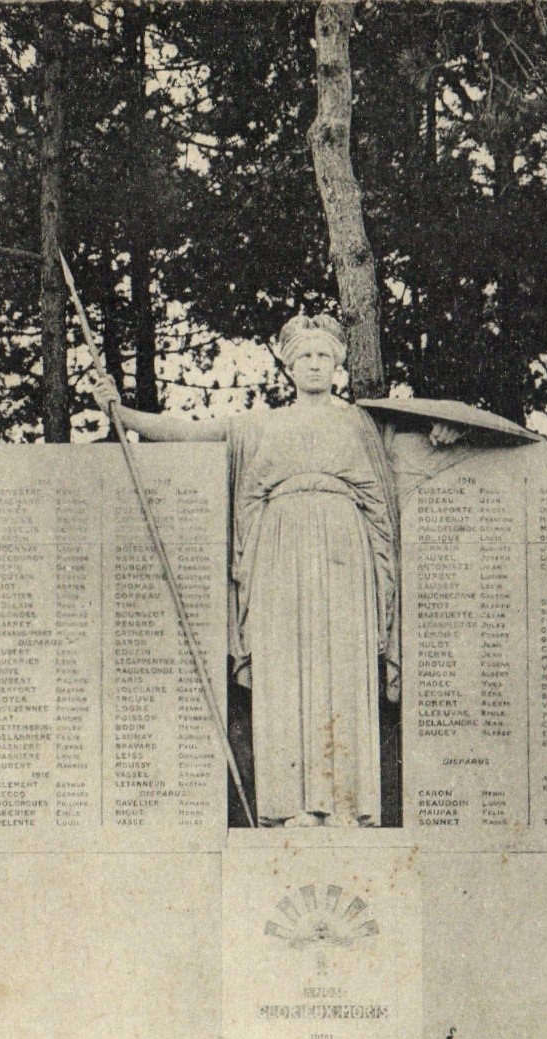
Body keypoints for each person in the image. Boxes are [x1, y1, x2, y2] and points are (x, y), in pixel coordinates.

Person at [90, 314, 399, 827]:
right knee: (284, 675)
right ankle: (289, 808)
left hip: (348, 555)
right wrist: (123, 413)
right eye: (304, 357)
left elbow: (409, 452)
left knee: (343, 671)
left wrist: (445, 431)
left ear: (338, 366)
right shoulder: (261, 425)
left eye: (324, 356)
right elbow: (190, 432)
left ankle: (348, 805)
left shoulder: (360, 424)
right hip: (277, 555)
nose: (315, 365)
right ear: (289, 367)